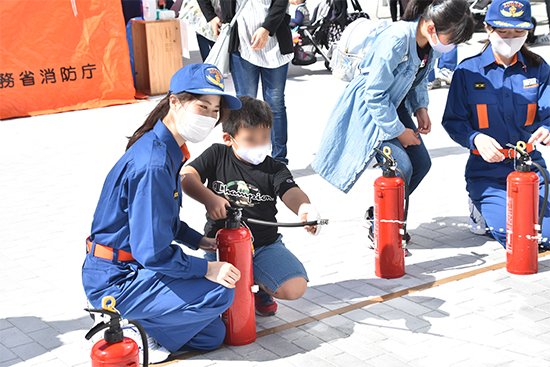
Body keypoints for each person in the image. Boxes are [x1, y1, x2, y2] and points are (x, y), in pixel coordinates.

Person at [82, 64, 243, 363]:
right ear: (175, 102)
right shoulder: (154, 163)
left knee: (212, 336)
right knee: (219, 294)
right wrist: (206, 269)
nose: (208, 117)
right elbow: (152, 252)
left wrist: (198, 241)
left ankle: (145, 326)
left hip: (131, 268)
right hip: (117, 281)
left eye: (214, 110)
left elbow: (162, 220)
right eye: (202, 106)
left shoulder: (167, 149)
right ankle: (125, 323)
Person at [312, 0, 474, 251]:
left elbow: (418, 79)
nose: (451, 45)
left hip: (395, 105)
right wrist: (399, 131)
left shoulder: (427, 45)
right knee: (402, 166)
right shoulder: (397, 40)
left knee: (422, 163)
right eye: (451, 38)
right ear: (431, 27)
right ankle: (384, 228)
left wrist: (421, 108)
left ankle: (381, 212)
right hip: (371, 110)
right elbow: (373, 94)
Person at [181, 96, 320, 317]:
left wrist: (304, 207)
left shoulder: (274, 168)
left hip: (264, 245)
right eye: (250, 139)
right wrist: (209, 198)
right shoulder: (217, 155)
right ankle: (240, 283)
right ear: (229, 138)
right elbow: (187, 177)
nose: (259, 145)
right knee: (217, 304)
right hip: (220, 247)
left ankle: (260, 289)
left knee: (294, 287)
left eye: (264, 137)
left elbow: (290, 191)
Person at [442, 0, 550, 249]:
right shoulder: (468, 72)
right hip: (487, 173)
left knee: (543, 237)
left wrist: (547, 128)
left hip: (531, 169)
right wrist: (475, 138)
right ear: (488, 29)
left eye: (518, 33)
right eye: (503, 32)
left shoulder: (538, 69)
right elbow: (453, 120)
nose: (511, 38)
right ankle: (480, 208)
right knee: (517, 237)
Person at [198, 0, 294, 165]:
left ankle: (279, 161)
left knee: (275, 105)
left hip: (275, 42)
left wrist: (267, 28)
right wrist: (211, 17)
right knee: (244, 105)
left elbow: (281, 2)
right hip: (241, 42)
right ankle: (245, 159)